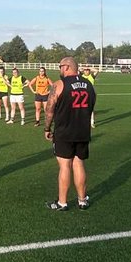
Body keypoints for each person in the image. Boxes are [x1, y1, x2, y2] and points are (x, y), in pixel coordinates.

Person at [44, 56, 95, 210]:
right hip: (82, 131)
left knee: (65, 165)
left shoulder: (59, 84)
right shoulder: (88, 85)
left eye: (60, 66)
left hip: (64, 131)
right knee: (79, 163)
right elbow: (91, 106)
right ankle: (82, 200)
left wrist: (47, 128)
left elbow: (49, 110)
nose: (60, 70)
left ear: (66, 67)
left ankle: (62, 202)